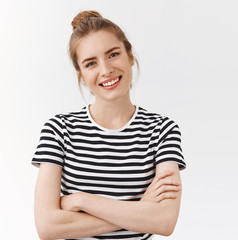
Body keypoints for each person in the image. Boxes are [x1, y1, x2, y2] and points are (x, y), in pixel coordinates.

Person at [32, 10, 186, 240]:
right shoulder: (59, 130)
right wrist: (139, 210)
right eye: (91, 63)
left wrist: (80, 200)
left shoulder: (162, 131)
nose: (105, 70)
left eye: (113, 54)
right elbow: (47, 226)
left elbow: (164, 221)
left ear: (130, 55)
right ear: (81, 74)